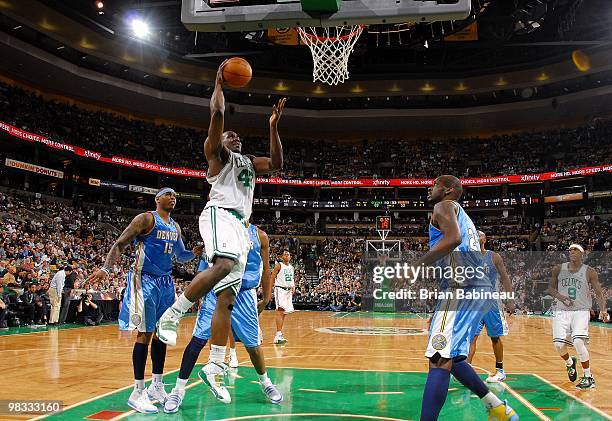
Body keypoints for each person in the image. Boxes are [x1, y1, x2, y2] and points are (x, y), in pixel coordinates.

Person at [156, 60, 285, 393]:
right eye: (231, 135)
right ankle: (175, 312)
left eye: (237, 135)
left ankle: (214, 363)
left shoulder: (249, 163)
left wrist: (272, 126)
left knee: (226, 296)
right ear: (221, 141)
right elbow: (216, 117)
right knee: (223, 264)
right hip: (219, 213)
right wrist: (219, 84)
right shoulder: (217, 155)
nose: (235, 136)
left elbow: (278, 164)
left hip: (240, 226)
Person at [87, 188, 201, 414]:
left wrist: (195, 252)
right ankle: (137, 391)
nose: (173, 197)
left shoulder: (175, 227)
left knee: (162, 333)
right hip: (144, 279)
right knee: (145, 333)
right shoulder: (147, 218)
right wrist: (106, 268)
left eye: (176, 195)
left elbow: (181, 255)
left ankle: (156, 386)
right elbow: (120, 243)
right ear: (157, 199)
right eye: (168, 194)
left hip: (166, 282)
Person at [416, 175, 517, 421]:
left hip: (461, 290)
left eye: (435, 185)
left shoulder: (443, 206)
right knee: (455, 357)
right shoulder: (465, 217)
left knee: (439, 358)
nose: (430, 189)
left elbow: (453, 240)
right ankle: (498, 408)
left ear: (448, 190)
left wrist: (414, 266)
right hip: (476, 290)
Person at [164, 224, 281, 412]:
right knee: (198, 340)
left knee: (253, 346)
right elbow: (203, 271)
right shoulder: (219, 228)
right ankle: (178, 390)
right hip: (217, 291)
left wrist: (266, 298)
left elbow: (266, 270)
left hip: (244, 294)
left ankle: (265, 382)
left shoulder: (260, 235)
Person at [547, 244, 609, 390]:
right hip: (562, 311)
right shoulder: (558, 269)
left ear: (582, 254)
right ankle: (570, 363)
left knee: (578, 341)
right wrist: (562, 297)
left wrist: (603, 309)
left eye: (575, 250)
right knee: (558, 345)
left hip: (580, 311)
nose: (572, 252)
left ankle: (588, 376)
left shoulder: (589, 271)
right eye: (570, 250)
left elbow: (599, 292)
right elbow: (550, 289)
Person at [467, 231, 515, 383]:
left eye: (479, 234)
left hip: (491, 302)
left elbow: (506, 278)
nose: (476, 236)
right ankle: (466, 370)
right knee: (471, 338)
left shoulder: (494, 256)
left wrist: (510, 299)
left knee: (495, 337)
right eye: (474, 234)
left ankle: (500, 370)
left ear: (484, 239)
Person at [271, 249, 294, 344]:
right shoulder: (279, 265)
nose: (286, 256)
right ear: (281, 257)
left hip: (288, 291)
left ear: (290, 257)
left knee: (284, 312)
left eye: (288, 255)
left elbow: (292, 278)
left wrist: (293, 286)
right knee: (280, 311)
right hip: (280, 289)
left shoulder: (291, 267)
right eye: (284, 255)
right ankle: (277, 335)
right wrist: (270, 290)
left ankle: (280, 334)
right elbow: (272, 277)